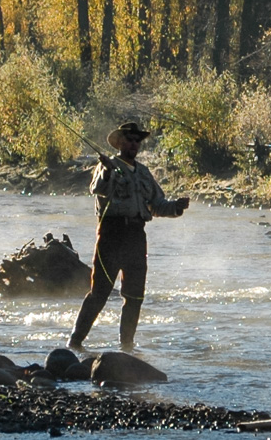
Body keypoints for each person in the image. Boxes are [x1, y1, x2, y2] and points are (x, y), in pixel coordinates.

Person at [69, 122, 191, 350]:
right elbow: (97, 189)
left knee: (135, 296)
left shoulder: (144, 173)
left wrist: (176, 207)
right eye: (130, 139)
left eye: (137, 140)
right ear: (120, 143)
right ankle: (75, 342)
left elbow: (157, 205)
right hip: (111, 235)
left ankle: (127, 346)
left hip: (136, 237)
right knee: (100, 294)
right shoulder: (106, 166)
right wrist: (105, 169)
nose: (134, 143)